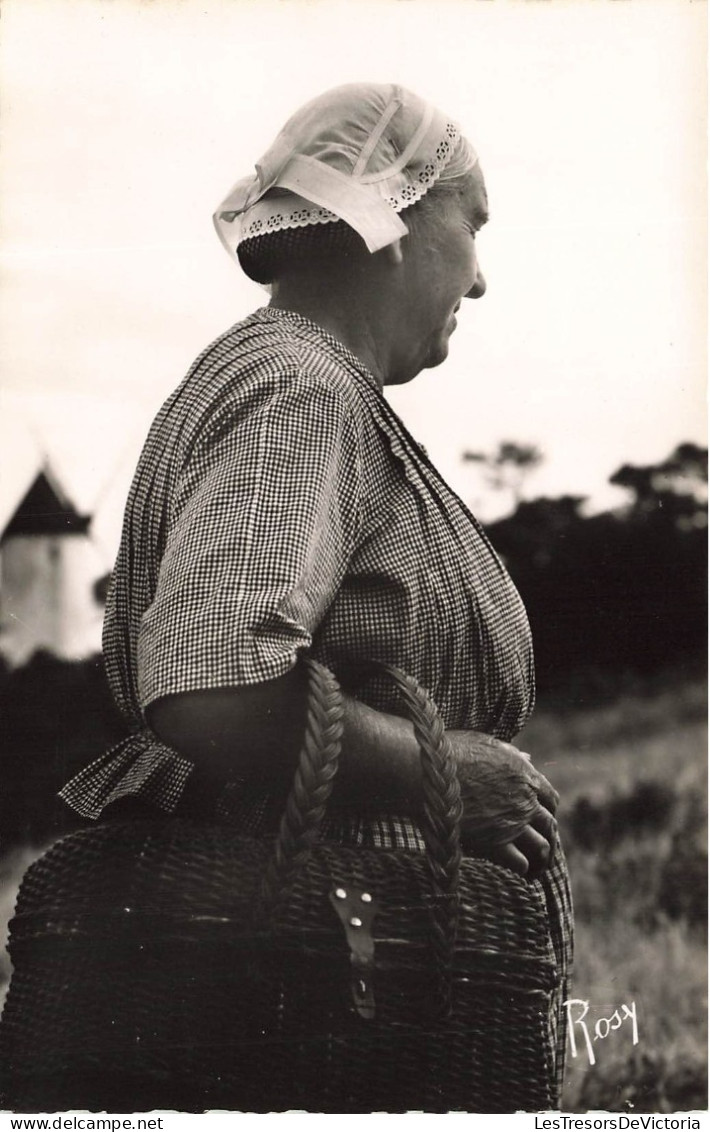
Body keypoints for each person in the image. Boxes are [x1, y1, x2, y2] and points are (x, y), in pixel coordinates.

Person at [2, 83, 572, 1113]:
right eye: (473, 224)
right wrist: (446, 775)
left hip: (331, 939)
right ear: (391, 221)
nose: (479, 279)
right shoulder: (298, 389)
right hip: (316, 956)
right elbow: (212, 688)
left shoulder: (307, 386)